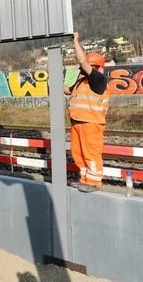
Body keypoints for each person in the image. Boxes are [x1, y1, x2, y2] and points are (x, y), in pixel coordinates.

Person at [64, 32, 110, 193]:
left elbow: (83, 62)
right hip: (77, 122)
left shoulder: (98, 80)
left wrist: (76, 42)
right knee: (78, 153)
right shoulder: (81, 82)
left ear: (97, 68)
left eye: (89, 67)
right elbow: (68, 91)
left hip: (91, 124)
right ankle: (84, 179)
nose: (82, 69)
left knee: (91, 153)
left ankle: (93, 182)